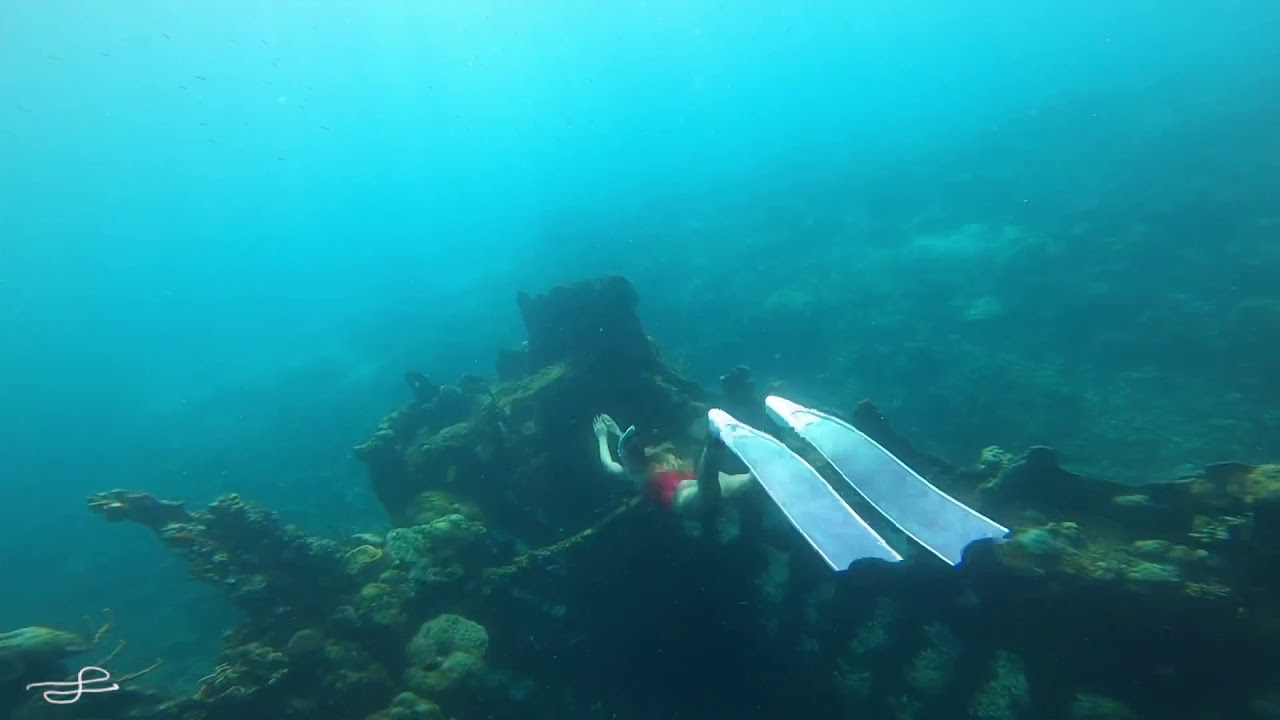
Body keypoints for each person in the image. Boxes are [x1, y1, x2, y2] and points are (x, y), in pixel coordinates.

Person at [592, 413, 755, 516]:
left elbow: (629, 449)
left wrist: (613, 432)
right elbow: (609, 463)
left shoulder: (644, 459)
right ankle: (714, 443)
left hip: (692, 482)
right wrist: (602, 436)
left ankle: (750, 472)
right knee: (707, 489)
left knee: (744, 482)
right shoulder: (633, 473)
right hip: (680, 499)